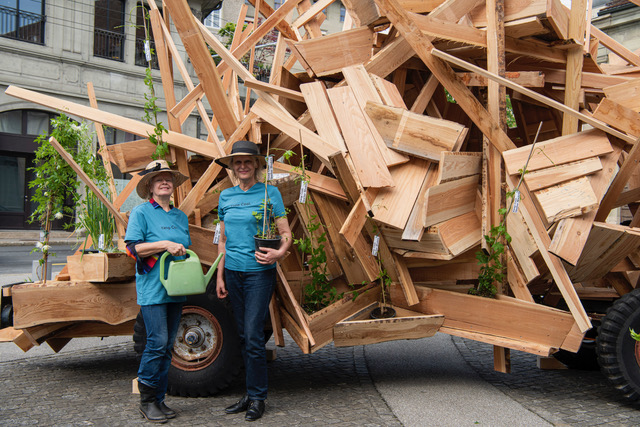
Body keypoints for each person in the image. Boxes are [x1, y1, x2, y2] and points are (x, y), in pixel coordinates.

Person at [214, 140, 292, 422]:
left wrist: (279, 253)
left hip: (259, 273)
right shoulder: (225, 197)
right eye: (238, 162)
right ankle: (249, 392)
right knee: (244, 335)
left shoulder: (270, 193)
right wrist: (220, 276)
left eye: (248, 161)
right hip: (233, 273)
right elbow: (222, 240)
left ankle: (258, 397)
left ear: (257, 165)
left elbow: (285, 232)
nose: (243, 166)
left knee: (254, 334)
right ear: (232, 168)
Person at [124, 159, 191, 423]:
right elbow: (132, 248)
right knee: (157, 342)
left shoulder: (180, 216)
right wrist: (164, 244)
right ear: (150, 186)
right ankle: (147, 400)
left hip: (176, 288)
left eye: (168, 178)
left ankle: (159, 400)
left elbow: (184, 248)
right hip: (153, 288)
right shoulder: (141, 213)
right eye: (158, 178)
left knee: (167, 347)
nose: (164, 181)